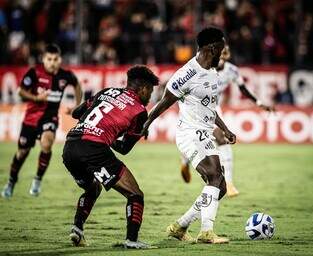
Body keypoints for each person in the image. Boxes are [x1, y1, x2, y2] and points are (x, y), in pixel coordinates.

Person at [141, 27, 235, 244]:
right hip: (189, 134)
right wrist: (146, 123)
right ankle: (206, 232)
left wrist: (225, 128)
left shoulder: (212, 73)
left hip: (206, 133)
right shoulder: (186, 74)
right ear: (211, 49)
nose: (221, 56)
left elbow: (210, 109)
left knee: (218, 188)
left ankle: (180, 226)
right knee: (215, 178)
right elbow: (164, 102)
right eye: (220, 51)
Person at [62, 65, 159, 249]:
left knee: (92, 189)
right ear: (144, 89)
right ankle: (132, 240)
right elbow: (124, 148)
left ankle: (77, 229)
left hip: (70, 146)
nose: (150, 97)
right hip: (94, 148)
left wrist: (95, 127)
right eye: (150, 91)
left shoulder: (107, 91)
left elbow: (76, 113)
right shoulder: (139, 111)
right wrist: (134, 133)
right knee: (135, 194)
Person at [180, 45, 274, 197]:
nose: (221, 58)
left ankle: (229, 183)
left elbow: (243, 89)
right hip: (195, 107)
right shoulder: (203, 67)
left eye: (224, 55)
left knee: (221, 140)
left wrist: (258, 103)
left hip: (214, 108)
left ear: (227, 56)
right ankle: (185, 161)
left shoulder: (232, 71)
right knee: (194, 139)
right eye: (219, 55)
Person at [1, 44, 82, 198]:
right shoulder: (34, 72)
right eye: (49, 59)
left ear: (60, 60)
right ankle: (11, 181)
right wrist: (36, 98)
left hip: (50, 117)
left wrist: (76, 106)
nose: (52, 62)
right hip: (31, 119)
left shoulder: (65, 75)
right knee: (22, 153)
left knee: (46, 143)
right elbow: (20, 92)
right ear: (44, 59)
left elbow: (77, 85)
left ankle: (37, 180)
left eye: (55, 59)